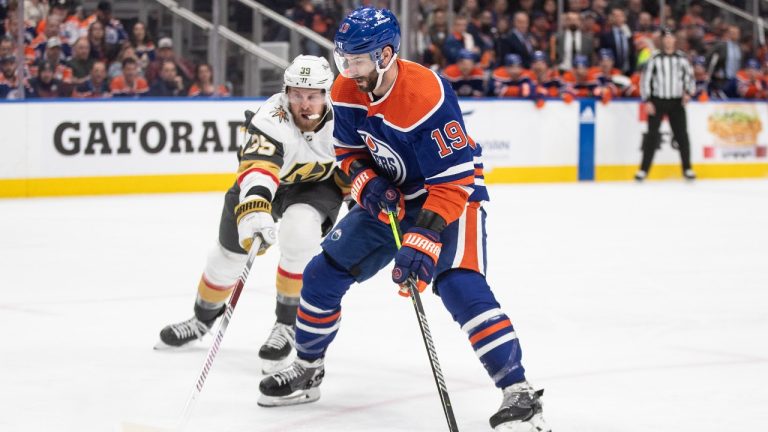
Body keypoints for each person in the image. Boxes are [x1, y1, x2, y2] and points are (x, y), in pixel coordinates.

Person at [258, 8, 551, 432]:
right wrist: (367, 184)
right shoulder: (345, 88)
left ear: (386, 54)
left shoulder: (427, 95)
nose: (347, 69)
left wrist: (424, 238)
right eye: (343, 58)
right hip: (392, 195)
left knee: (458, 284)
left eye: (356, 59)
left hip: (450, 196)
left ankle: (519, 394)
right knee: (322, 274)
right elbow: (347, 155)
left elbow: (453, 181)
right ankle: (307, 367)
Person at [157, 55, 350, 375]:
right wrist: (254, 211)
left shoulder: (345, 118)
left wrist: (363, 200)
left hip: (316, 187)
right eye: (296, 94)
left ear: (327, 95)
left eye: (312, 95)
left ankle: (287, 325)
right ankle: (202, 319)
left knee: (299, 234)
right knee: (226, 257)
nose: (304, 103)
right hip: (267, 186)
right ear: (286, 92)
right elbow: (259, 170)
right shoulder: (271, 117)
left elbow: (357, 163)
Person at [637, 28, 696, 182]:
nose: (669, 41)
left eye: (671, 38)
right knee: (651, 136)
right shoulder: (654, 58)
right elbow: (645, 80)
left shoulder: (682, 58)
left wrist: (688, 92)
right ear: (662, 41)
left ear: (675, 40)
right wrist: (647, 100)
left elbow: (689, 77)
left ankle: (687, 168)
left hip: (676, 102)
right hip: (658, 101)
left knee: (682, 136)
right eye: (666, 38)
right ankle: (643, 170)